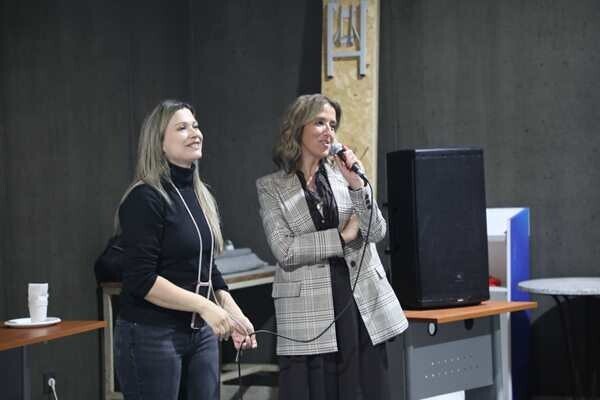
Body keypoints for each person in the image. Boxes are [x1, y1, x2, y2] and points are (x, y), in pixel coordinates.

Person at [256, 94, 408, 400]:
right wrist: (342, 237)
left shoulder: (345, 175)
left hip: (358, 302)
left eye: (333, 125)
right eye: (320, 123)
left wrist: (357, 185)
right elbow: (284, 249)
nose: (329, 132)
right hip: (308, 310)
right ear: (298, 128)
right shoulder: (271, 187)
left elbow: (376, 231)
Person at [114, 99, 257, 400]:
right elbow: (142, 279)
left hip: (199, 333)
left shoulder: (199, 194)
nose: (195, 133)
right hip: (152, 334)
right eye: (182, 127)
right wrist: (205, 306)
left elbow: (206, 267)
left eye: (195, 125)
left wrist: (232, 311)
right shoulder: (145, 198)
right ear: (159, 144)